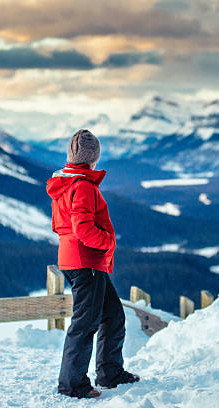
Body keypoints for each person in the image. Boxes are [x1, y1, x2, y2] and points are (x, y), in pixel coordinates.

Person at [46, 129, 139, 399]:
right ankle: (72, 384)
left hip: (73, 259)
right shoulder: (83, 185)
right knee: (85, 324)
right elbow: (83, 228)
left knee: (112, 315)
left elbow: (58, 225)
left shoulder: (64, 184)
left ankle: (110, 373)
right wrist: (108, 241)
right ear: (92, 158)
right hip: (86, 262)